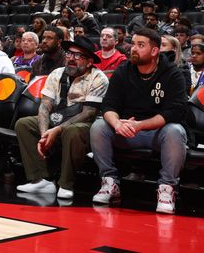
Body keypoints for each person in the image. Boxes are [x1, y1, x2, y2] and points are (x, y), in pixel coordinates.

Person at [90, 28, 189, 214]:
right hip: (126, 131)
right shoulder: (123, 70)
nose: (133, 49)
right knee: (99, 126)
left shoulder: (172, 73)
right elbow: (108, 106)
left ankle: (167, 188)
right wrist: (118, 123)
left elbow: (175, 112)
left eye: (140, 45)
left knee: (175, 130)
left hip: (158, 133)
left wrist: (140, 125)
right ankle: (110, 182)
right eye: (133, 43)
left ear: (154, 51)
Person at [15, 36, 109, 200]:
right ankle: (42, 179)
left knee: (72, 131)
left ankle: (66, 184)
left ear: (88, 62)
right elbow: (45, 106)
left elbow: (89, 113)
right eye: (69, 54)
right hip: (57, 118)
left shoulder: (99, 78)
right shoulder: (57, 73)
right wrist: (45, 134)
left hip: (86, 125)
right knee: (24, 124)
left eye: (78, 55)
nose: (72, 59)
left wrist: (57, 130)